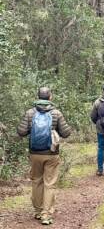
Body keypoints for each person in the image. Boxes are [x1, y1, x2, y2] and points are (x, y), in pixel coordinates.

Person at [17, 87, 71, 225]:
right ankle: (46, 214)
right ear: (50, 97)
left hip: (35, 153)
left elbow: (21, 131)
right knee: (50, 183)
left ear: (38, 97)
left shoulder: (30, 113)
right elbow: (66, 133)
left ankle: (37, 211)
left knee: (36, 181)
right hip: (52, 154)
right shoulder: (56, 113)